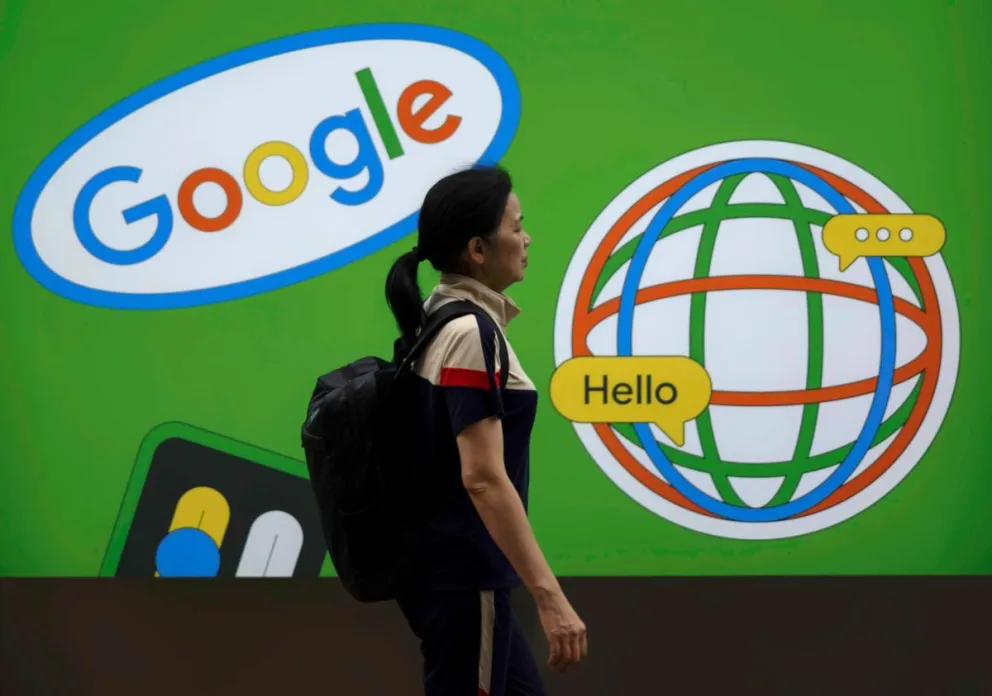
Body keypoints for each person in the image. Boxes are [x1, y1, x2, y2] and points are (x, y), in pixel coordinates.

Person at [384, 164, 587, 695]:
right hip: (464, 578)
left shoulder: (440, 314)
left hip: (456, 574)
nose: (527, 238)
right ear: (477, 249)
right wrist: (549, 596)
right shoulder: (469, 332)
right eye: (516, 227)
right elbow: (482, 477)